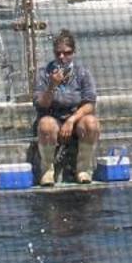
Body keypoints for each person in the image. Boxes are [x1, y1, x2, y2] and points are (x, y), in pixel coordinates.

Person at [31, 29, 101, 185]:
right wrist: (52, 86)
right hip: (52, 119)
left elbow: (90, 103)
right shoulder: (44, 73)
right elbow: (40, 104)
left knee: (91, 122)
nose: (62, 57)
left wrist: (72, 121)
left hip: (75, 120)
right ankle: (47, 170)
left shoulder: (82, 73)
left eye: (67, 53)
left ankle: (83, 169)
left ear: (73, 52)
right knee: (46, 124)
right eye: (58, 54)